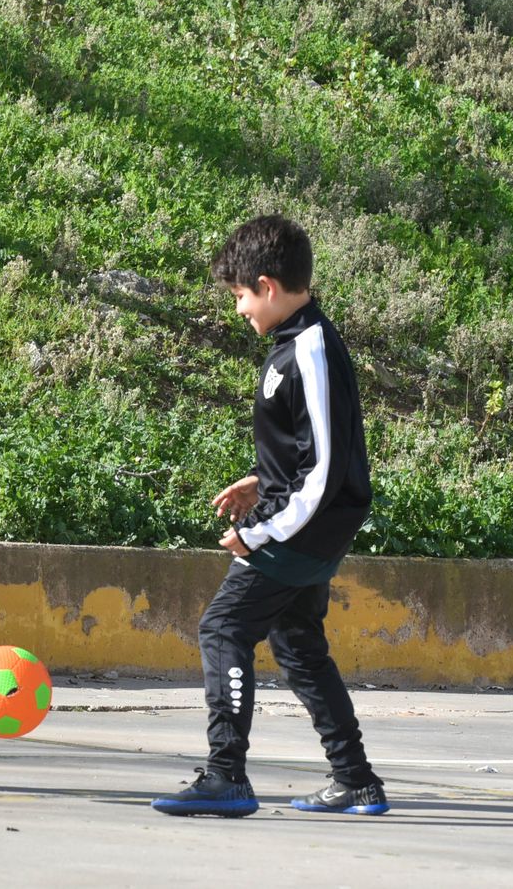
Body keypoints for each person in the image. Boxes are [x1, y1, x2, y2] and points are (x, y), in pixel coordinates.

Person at [152, 215, 387, 817]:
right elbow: (311, 449)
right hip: (305, 523)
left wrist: (259, 531)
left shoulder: (308, 347)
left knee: (223, 629)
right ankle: (356, 779)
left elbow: (327, 466)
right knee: (299, 643)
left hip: (301, 531)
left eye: (239, 297)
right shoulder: (297, 342)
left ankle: (226, 774)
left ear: (267, 286)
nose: (238, 310)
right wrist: (263, 482)